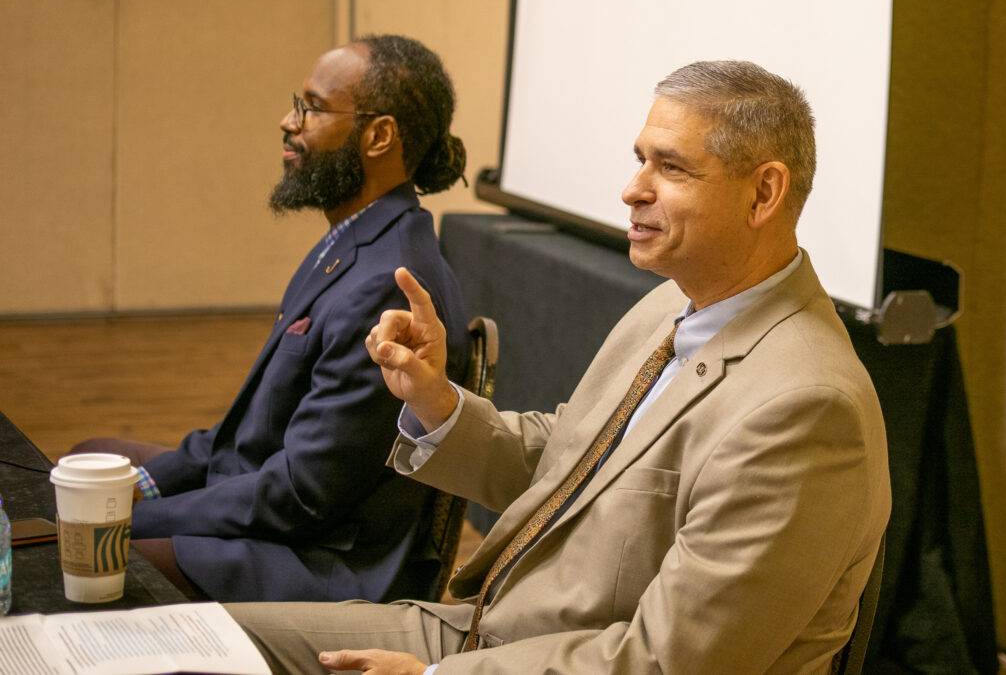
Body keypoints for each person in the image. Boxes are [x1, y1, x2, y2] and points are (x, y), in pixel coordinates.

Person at [226, 60, 891, 674]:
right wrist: (435, 399)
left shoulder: (805, 407)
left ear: (763, 193)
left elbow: (668, 660)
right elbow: (568, 457)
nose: (633, 189)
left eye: (672, 168)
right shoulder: (672, 304)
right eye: (639, 160)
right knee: (199, 637)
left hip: (513, 660)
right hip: (487, 636)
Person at [70, 35, 470, 603]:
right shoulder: (354, 240)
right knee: (92, 459)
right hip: (272, 496)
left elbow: (303, 497)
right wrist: (148, 487)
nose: (289, 121)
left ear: (378, 135)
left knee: (101, 554)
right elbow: (251, 426)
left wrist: (139, 518)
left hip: (320, 563)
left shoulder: (386, 283)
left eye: (311, 107)